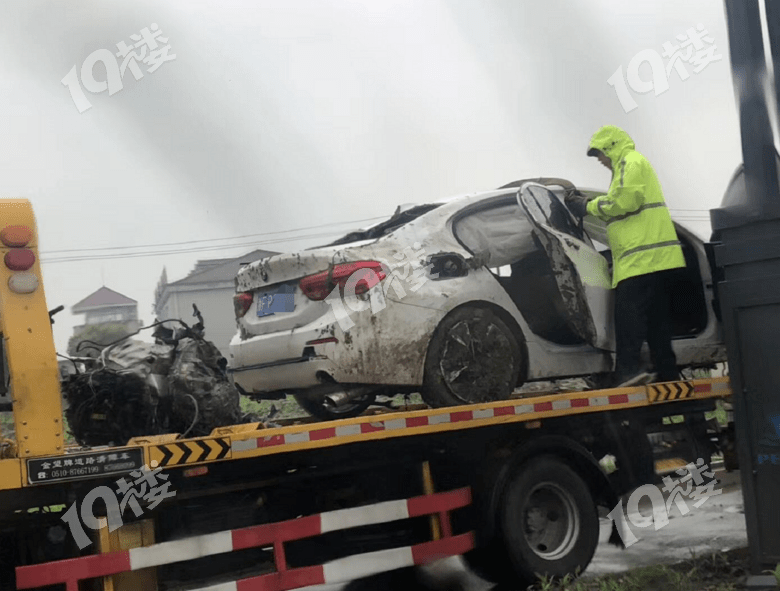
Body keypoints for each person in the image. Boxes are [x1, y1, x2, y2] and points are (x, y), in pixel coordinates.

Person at [565, 125, 685, 387]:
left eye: (599, 154)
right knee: (656, 322)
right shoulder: (633, 164)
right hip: (655, 259)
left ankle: (628, 373)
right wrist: (592, 204)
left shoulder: (628, 162)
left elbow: (625, 201)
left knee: (629, 318)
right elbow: (623, 200)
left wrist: (587, 206)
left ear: (610, 147)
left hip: (641, 260)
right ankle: (667, 372)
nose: (600, 160)